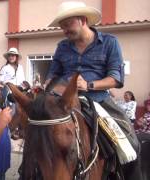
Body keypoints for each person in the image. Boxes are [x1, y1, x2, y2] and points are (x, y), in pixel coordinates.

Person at [44, 1, 141, 179]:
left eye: (68, 24)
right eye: (62, 26)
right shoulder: (62, 47)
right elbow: (53, 75)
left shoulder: (110, 42)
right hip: (66, 102)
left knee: (132, 144)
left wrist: (88, 85)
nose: (65, 30)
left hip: (100, 100)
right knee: (39, 135)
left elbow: (116, 78)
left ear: (82, 20)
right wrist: (47, 87)